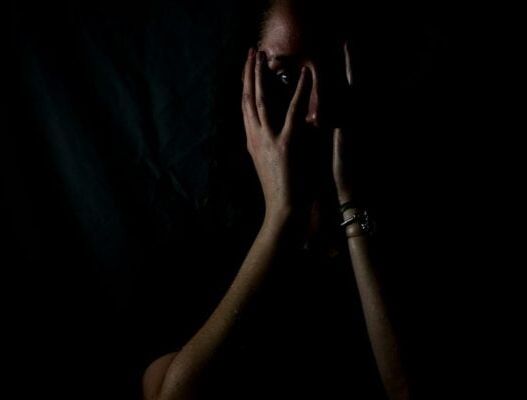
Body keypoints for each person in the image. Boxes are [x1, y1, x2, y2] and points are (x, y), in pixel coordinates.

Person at [143, 1, 409, 398]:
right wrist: (280, 219)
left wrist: (350, 199)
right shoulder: (203, 246)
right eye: (286, 77)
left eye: (332, 71)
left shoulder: (403, 227)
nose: (315, 110)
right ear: (248, 89)